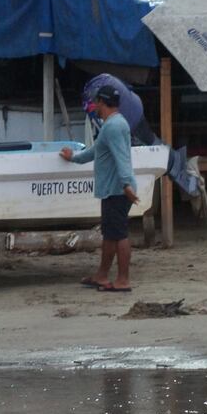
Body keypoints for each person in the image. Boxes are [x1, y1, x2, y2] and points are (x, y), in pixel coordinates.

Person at [61, 84, 139, 292]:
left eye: (96, 102)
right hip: (115, 188)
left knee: (119, 234)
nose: (93, 106)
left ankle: (122, 280)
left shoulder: (113, 126)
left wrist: (126, 185)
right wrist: (74, 158)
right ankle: (102, 275)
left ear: (102, 103)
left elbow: (121, 158)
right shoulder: (114, 124)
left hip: (118, 189)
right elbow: (96, 151)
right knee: (111, 234)